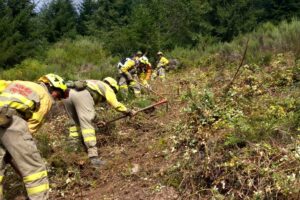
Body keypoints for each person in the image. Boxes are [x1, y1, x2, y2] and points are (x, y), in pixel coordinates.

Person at [0, 74, 67, 200]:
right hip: (10, 120)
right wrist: (19, 143)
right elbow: (34, 124)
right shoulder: (46, 97)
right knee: (35, 170)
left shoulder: (17, 82)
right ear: (51, 87)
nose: (57, 98)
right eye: (58, 94)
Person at [64, 77, 135, 167]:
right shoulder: (107, 88)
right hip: (81, 96)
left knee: (74, 124)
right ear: (113, 87)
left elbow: (89, 111)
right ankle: (94, 158)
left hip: (68, 95)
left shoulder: (93, 83)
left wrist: (98, 121)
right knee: (87, 126)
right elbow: (116, 105)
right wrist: (128, 111)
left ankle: (72, 151)